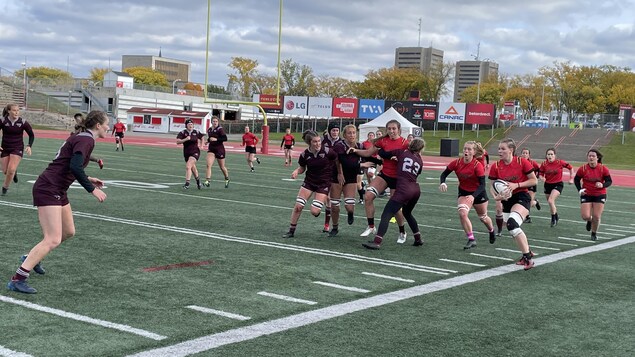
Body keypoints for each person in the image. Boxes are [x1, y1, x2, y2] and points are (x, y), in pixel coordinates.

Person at [7, 110, 109, 294]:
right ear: (98, 125)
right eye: (107, 124)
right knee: (52, 238)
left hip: (57, 188)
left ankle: (31, 258)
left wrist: (89, 178)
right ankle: (18, 279)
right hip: (49, 188)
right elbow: (74, 167)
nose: (108, 127)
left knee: (68, 232)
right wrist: (91, 189)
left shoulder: (83, 137)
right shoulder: (86, 139)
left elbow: (67, 164)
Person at [351, 120, 409, 243]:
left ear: (399, 129)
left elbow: (412, 160)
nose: (392, 131)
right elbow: (368, 152)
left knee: (395, 207)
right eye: (389, 129)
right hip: (385, 174)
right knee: (368, 196)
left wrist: (400, 159)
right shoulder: (382, 141)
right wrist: (355, 151)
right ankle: (371, 226)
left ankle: (402, 231)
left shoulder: (405, 143)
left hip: (398, 178)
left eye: (394, 128)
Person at [362, 138, 426, 249]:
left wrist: (391, 156)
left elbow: (382, 153)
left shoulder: (401, 152)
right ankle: (418, 238)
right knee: (407, 213)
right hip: (416, 190)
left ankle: (377, 241)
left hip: (403, 189)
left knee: (387, 213)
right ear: (421, 149)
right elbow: (417, 171)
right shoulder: (420, 160)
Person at [488, 138, 537, 270]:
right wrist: (496, 197)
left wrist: (517, 185)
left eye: (503, 149)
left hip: (522, 196)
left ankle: (528, 258)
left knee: (512, 224)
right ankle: (528, 251)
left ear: (511, 150)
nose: (499, 151)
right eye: (499, 148)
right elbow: (492, 185)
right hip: (506, 199)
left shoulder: (522, 162)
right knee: (511, 228)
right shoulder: (496, 166)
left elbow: (534, 180)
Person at [439, 141, 496, 249]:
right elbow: (444, 174)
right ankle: (471, 239)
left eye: (469, 149)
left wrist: (473, 196)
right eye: (465, 148)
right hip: (464, 192)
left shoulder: (477, 165)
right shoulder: (456, 163)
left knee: (483, 217)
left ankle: (491, 230)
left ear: (474, 152)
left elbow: (482, 185)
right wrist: (442, 182)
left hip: (478, 193)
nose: (466, 151)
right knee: (462, 213)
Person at [282, 130, 337, 238]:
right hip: (309, 182)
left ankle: (320, 213)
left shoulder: (327, 151)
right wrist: (297, 171)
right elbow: (302, 168)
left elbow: (337, 161)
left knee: (314, 211)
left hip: (323, 184)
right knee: (298, 206)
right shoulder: (304, 155)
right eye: (315, 142)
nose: (318, 144)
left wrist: (338, 174)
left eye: (319, 141)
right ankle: (291, 231)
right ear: (309, 142)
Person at [329, 125, 374, 237]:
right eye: (349, 133)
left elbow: (367, 157)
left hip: (351, 177)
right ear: (344, 135)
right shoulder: (340, 145)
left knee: (349, 207)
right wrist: (340, 173)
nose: (352, 135)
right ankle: (335, 227)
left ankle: (350, 213)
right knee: (335, 206)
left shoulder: (359, 145)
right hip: (337, 176)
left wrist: (380, 161)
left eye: (354, 132)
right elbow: (343, 162)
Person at [574, 149, 612, 241]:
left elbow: (609, 181)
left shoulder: (603, 169)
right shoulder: (583, 168)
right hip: (587, 194)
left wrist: (602, 185)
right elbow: (576, 179)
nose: (591, 158)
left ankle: (594, 233)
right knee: (585, 216)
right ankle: (589, 221)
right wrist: (580, 190)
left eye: (593, 156)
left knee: (596, 216)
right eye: (589, 156)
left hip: (599, 194)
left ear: (597, 158)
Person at [1, 103, 35, 195]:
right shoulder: (3, 120)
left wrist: (29, 146)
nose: (16, 112)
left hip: (17, 147)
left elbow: (31, 135)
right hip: (5, 147)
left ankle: (5, 187)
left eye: (18, 110)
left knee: (10, 170)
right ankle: (14, 172)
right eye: (14, 110)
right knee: (5, 171)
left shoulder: (23, 122)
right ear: (9, 111)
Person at [539, 148, 574, 227]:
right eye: (548, 154)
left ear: (555, 155)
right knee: (550, 202)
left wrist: (571, 178)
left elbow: (571, 168)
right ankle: (556, 215)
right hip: (548, 185)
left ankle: (553, 219)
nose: (550, 156)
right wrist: (542, 178)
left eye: (552, 154)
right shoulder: (544, 164)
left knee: (551, 201)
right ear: (546, 156)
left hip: (557, 184)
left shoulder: (560, 162)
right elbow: (540, 174)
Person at [322, 121, 342, 233]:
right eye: (333, 130)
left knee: (331, 199)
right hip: (323, 172)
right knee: (325, 199)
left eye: (337, 130)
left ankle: (327, 224)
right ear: (329, 130)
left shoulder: (341, 142)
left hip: (336, 173)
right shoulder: (323, 140)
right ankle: (326, 223)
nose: (335, 132)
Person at [176, 119, 204, 189]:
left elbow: (202, 137)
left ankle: (187, 183)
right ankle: (198, 181)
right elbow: (178, 141)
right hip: (187, 153)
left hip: (195, 152)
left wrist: (202, 145)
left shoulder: (196, 132)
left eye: (191, 124)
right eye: (189, 124)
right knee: (193, 168)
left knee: (188, 166)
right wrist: (185, 139)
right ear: (186, 126)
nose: (190, 126)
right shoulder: (183, 133)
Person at [205, 116, 230, 188]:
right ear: (211, 122)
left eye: (216, 121)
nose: (215, 123)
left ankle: (227, 178)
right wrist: (207, 141)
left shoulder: (220, 129)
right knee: (208, 165)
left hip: (219, 149)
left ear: (218, 122)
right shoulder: (209, 130)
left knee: (222, 167)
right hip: (211, 149)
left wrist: (216, 139)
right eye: (214, 121)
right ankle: (208, 181)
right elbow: (210, 138)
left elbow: (225, 138)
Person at [520, 148, 541, 223]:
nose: (525, 154)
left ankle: (527, 217)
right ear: (521, 154)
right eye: (523, 153)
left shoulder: (532, 163)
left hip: (531, 183)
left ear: (529, 155)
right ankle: (536, 202)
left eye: (526, 153)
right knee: (526, 201)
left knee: (529, 201)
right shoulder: (519, 162)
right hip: (523, 183)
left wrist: (537, 177)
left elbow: (539, 170)